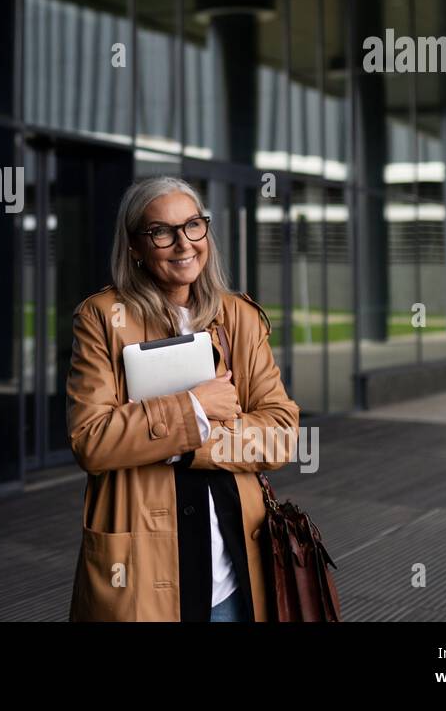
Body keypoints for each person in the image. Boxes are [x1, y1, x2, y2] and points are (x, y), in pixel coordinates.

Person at [66, 175, 299, 621]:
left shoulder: (239, 318)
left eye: (193, 225)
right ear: (135, 245)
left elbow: (281, 435)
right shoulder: (102, 318)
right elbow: (91, 441)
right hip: (140, 572)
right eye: (161, 232)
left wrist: (183, 443)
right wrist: (195, 407)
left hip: (235, 570)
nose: (183, 243)